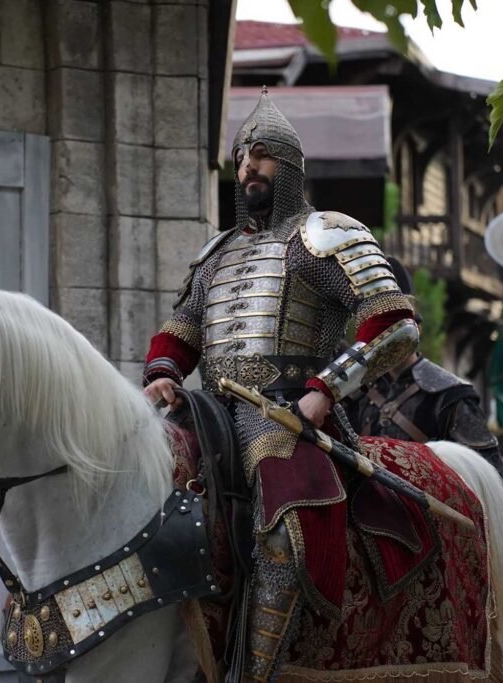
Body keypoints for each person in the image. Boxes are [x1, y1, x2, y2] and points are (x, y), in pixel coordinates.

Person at [142, 88, 417, 682]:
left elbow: (394, 324)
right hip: (206, 412)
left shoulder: (324, 236)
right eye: (241, 157)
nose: (248, 167)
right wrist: (163, 372)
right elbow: (183, 328)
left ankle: (259, 671)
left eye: (261, 154)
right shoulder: (216, 253)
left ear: (289, 166)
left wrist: (326, 388)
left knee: (286, 532)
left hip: (287, 416)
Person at [345, 260, 503, 478]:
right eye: (376, 327)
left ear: (416, 328)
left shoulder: (451, 397)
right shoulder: (356, 394)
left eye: (392, 326)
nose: (383, 336)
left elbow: (490, 477)